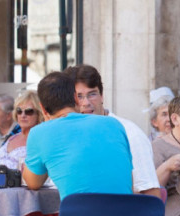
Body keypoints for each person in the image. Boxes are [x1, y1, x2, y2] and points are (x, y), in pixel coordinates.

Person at [22, 71, 134, 216]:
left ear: (42, 108)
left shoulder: (39, 133)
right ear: (76, 98)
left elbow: (32, 183)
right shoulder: (114, 125)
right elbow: (129, 183)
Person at [63, 65, 161, 198]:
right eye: (79, 96)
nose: (85, 102)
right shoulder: (63, 134)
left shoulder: (130, 133)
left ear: (102, 96)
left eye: (92, 94)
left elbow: (151, 195)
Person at [0, 91, 44, 172]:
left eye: (29, 111)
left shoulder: (41, 140)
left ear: (39, 114)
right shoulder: (12, 137)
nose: (23, 115)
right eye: (19, 111)